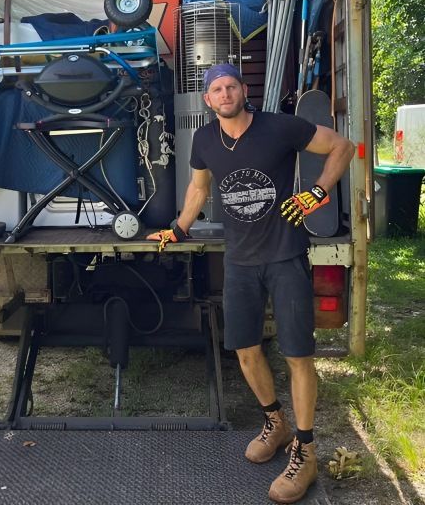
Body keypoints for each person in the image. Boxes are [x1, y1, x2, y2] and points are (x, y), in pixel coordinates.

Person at [147, 62, 355, 504]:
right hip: (240, 261)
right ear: (208, 100)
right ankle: (275, 422)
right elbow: (198, 190)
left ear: (244, 90)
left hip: (285, 257)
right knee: (244, 350)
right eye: (216, 89)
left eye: (231, 86)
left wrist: (317, 192)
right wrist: (179, 229)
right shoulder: (205, 140)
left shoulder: (280, 127)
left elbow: (341, 146)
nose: (224, 94)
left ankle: (306, 449)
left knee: (297, 355)